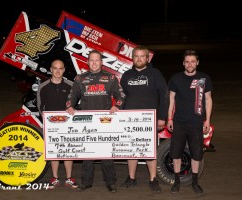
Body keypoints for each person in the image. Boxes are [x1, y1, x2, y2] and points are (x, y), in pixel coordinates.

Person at [65, 49, 125, 193]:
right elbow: (71, 96)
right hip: (87, 123)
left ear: (101, 62)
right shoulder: (80, 79)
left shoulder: (110, 78)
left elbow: (121, 95)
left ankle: (111, 182)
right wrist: (70, 107)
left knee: (106, 154)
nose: (94, 62)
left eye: (97, 60)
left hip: (105, 122)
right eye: (91, 60)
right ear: (87, 62)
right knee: (88, 154)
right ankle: (86, 182)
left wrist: (117, 105)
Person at [119, 45, 169, 193]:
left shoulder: (155, 74)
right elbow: (121, 97)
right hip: (129, 119)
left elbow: (164, 96)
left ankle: (153, 179)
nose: (139, 59)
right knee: (131, 149)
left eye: (142, 56)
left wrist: (161, 118)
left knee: (149, 150)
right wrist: (119, 115)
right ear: (132, 58)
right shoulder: (126, 75)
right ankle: (131, 178)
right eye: (136, 56)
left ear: (147, 58)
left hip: (148, 120)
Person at [167, 49, 213, 195]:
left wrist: (207, 120)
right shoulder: (175, 78)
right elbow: (171, 100)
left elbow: (208, 100)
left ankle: (195, 183)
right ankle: (176, 181)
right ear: (183, 63)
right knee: (176, 153)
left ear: (197, 63)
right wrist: (169, 118)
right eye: (187, 61)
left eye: (193, 61)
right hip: (179, 122)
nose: (190, 64)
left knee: (196, 153)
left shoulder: (204, 78)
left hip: (196, 122)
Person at [36, 59, 78, 189]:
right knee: (54, 152)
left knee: (67, 151)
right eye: (55, 68)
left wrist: (73, 109)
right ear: (51, 69)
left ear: (64, 70)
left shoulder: (71, 85)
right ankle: (54, 177)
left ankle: (69, 177)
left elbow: (76, 103)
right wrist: (44, 116)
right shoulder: (43, 87)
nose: (58, 71)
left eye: (60, 68)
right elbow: (40, 106)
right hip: (51, 126)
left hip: (67, 125)